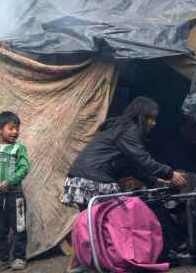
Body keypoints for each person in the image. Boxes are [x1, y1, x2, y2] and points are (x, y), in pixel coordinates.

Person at [60, 96, 188, 272]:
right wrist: (170, 173)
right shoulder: (130, 130)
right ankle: (119, 258)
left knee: (90, 222)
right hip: (94, 179)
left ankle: (77, 264)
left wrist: (156, 180)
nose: (153, 123)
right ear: (141, 116)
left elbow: (132, 166)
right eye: (151, 118)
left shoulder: (120, 130)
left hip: (80, 177)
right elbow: (142, 159)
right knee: (116, 219)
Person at [0, 111, 31, 272]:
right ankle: (0, 258)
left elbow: (24, 168)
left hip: (15, 195)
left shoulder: (19, 148)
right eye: (11, 128)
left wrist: (10, 181)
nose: (15, 132)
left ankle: (18, 258)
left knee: (19, 228)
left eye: (17, 128)